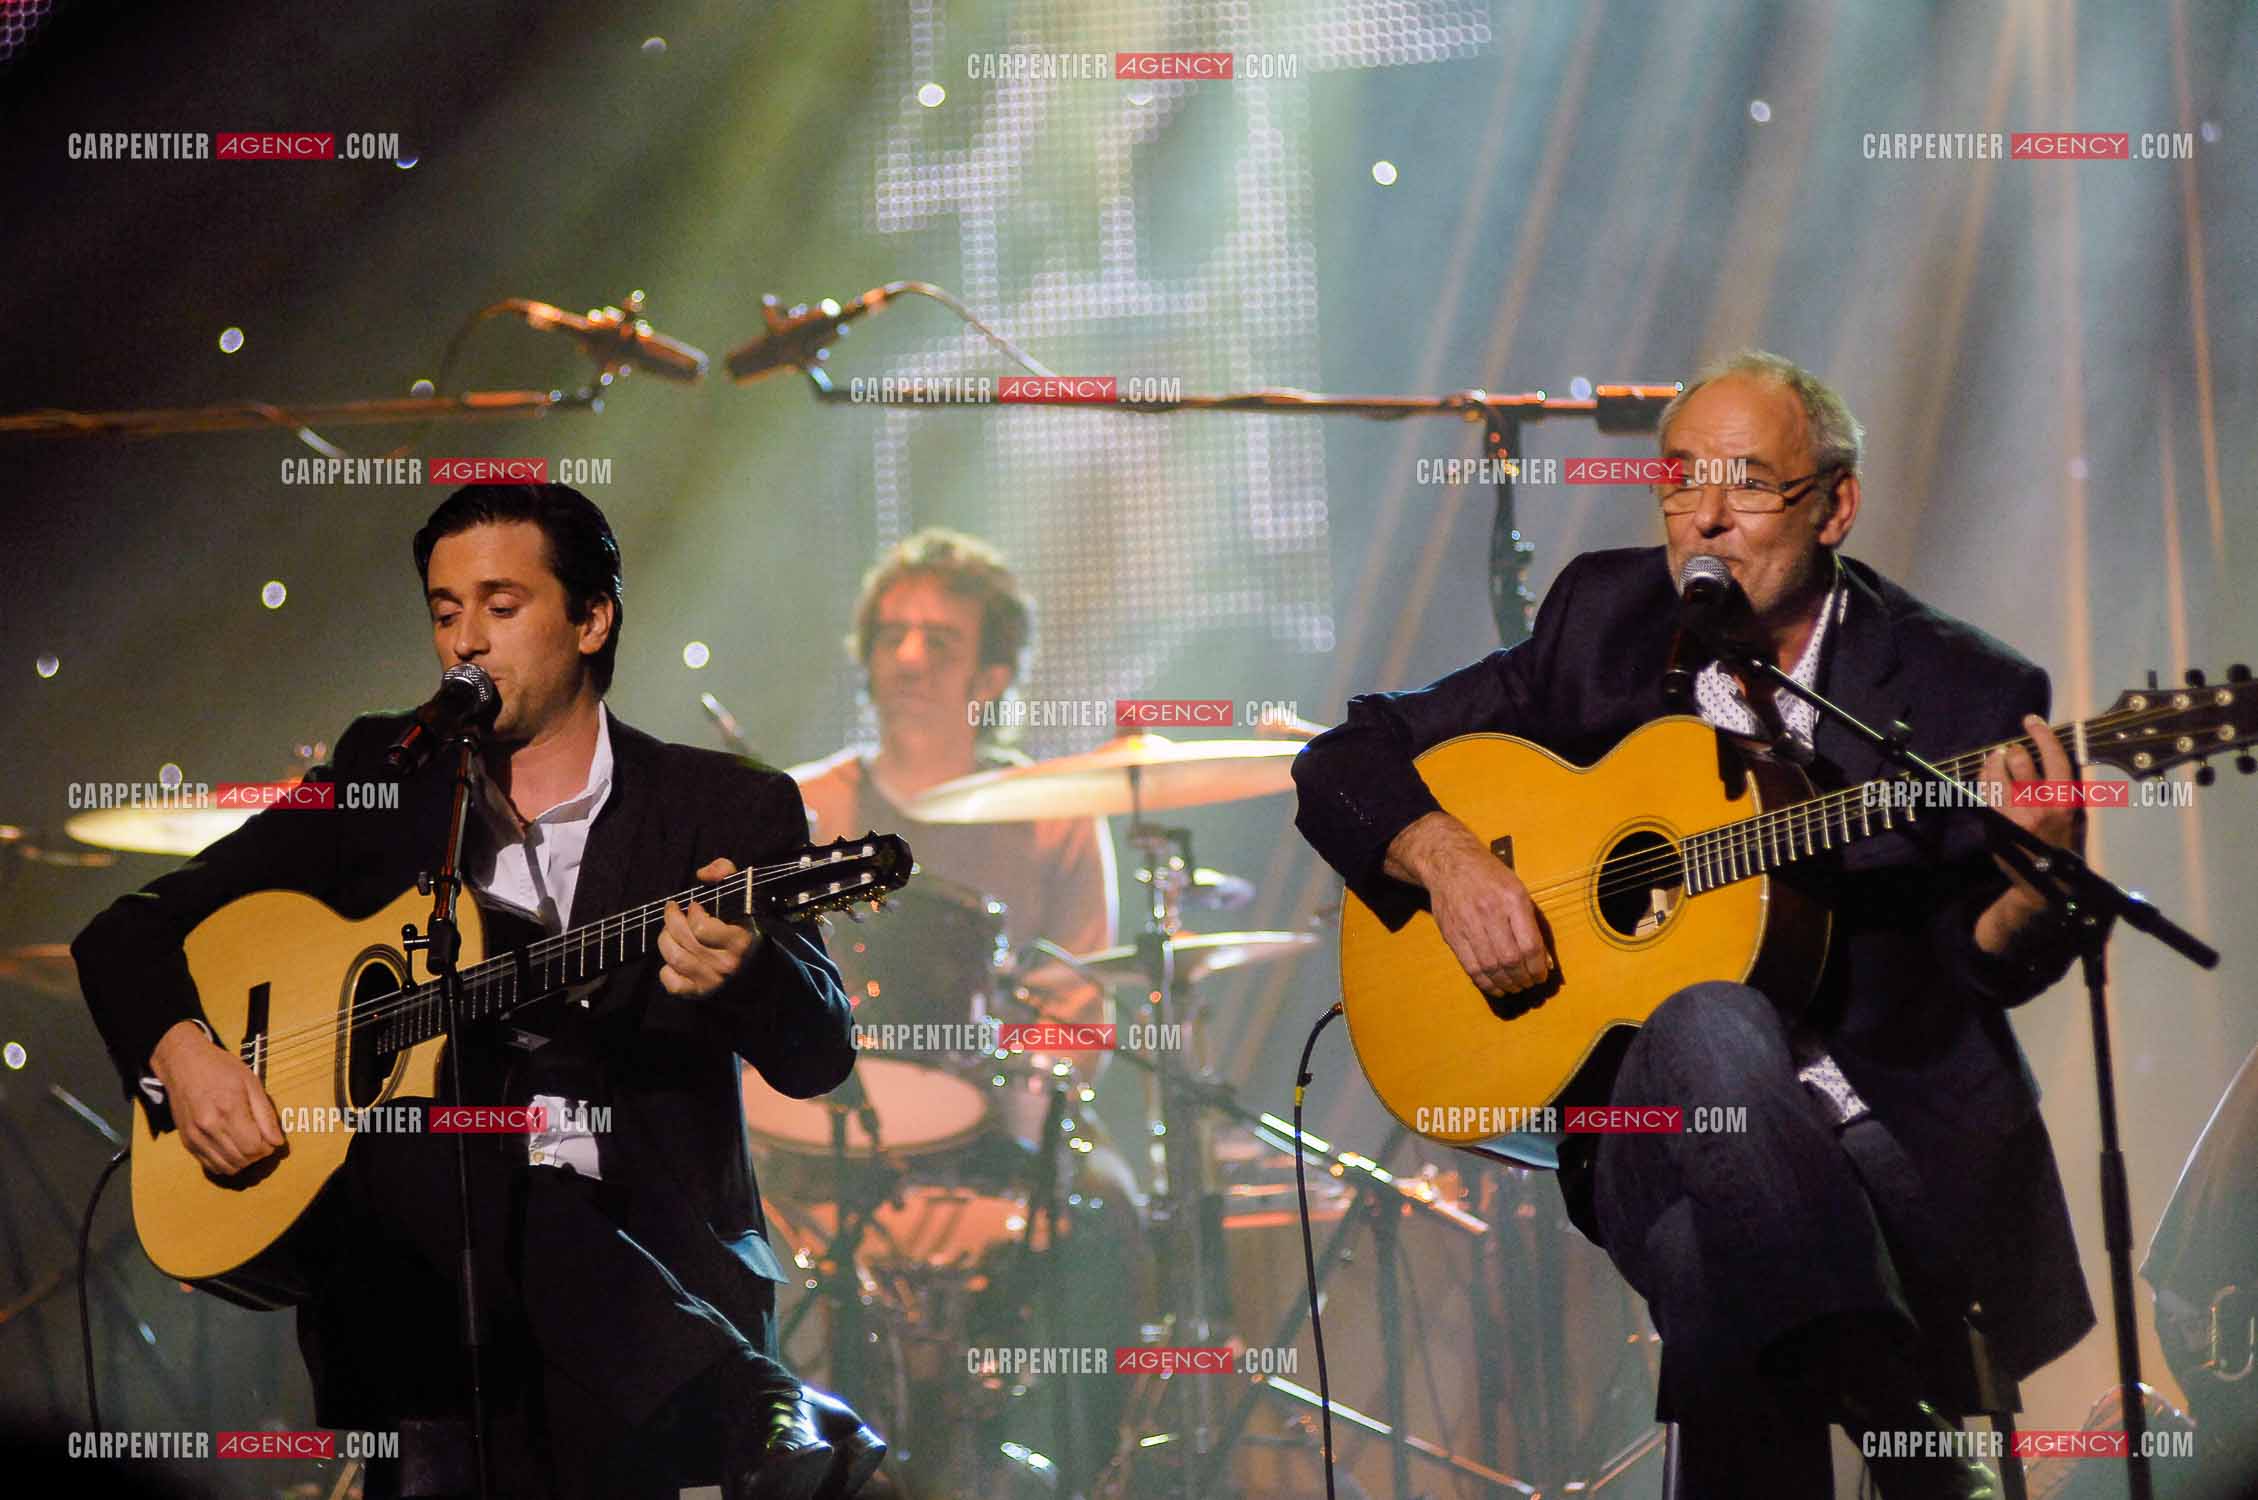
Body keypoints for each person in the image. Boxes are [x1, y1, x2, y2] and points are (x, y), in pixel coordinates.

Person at [1292, 353, 2097, 1500]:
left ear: (1835, 505)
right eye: (1679, 483)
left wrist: (2037, 877)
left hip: (1889, 1126)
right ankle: (1904, 1443)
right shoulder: (1601, 619)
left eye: (1749, 484)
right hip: (1643, 1121)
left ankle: (1887, 1421)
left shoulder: (1957, 683)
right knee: (1710, 1016)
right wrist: (1448, 855)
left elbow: (1991, 967)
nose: (1705, 518)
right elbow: (1341, 758)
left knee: (1711, 1274)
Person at [74, 484, 883, 1500]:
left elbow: (819, 1056)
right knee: (417, 1133)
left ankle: (718, 1393)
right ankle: (750, 1406)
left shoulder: (721, 806)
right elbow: (126, 930)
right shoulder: (385, 780)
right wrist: (184, 1052)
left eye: (502, 607)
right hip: (425, 1339)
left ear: (591, 619)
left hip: (653, 1294)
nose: (466, 643)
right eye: (445, 612)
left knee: (432, 1136)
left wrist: (748, 971)